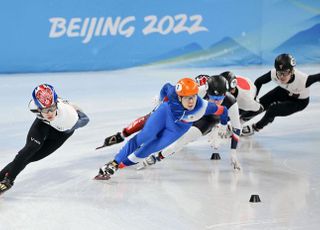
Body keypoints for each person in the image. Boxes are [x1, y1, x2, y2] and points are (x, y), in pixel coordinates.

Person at [95, 77, 228, 180]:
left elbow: (224, 110)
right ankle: (114, 163)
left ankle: (120, 166)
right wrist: (159, 101)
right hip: (164, 114)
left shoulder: (204, 106)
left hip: (178, 128)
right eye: (187, 98)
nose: (191, 101)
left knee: (148, 150)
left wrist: (223, 125)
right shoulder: (172, 93)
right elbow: (166, 87)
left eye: (193, 97)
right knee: (144, 136)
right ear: (179, 97)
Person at [0, 84, 89, 195]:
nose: (49, 113)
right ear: (38, 108)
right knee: (29, 150)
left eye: (51, 108)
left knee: (31, 158)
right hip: (43, 125)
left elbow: (85, 120)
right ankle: (7, 181)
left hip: (61, 133)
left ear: (56, 104)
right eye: (44, 110)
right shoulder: (33, 106)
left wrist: (75, 114)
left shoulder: (69, 116)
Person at [141, 75, 242, 170]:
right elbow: (172, 93)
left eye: (220, 98)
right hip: (193, 113)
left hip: (209, 120)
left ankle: (156, 158)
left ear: (225, 93)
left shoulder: (231, 103)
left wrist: (233, 152)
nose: (216, 102)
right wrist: (161, 101)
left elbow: (237, 128)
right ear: (207, 91)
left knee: (183, 140)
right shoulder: (199, 91)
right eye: (213, 98)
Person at [242, 53, 320, 135]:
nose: (282, 76)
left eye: (285, 72)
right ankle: (241, 120)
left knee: (272, 110)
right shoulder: (273, 74)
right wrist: (254, 97)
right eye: (279, 73)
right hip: (284, 91)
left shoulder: (303, 80)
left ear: (292, 71)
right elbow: (259, 81)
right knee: (259, 104)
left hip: (299, 102)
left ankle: (255, 127)